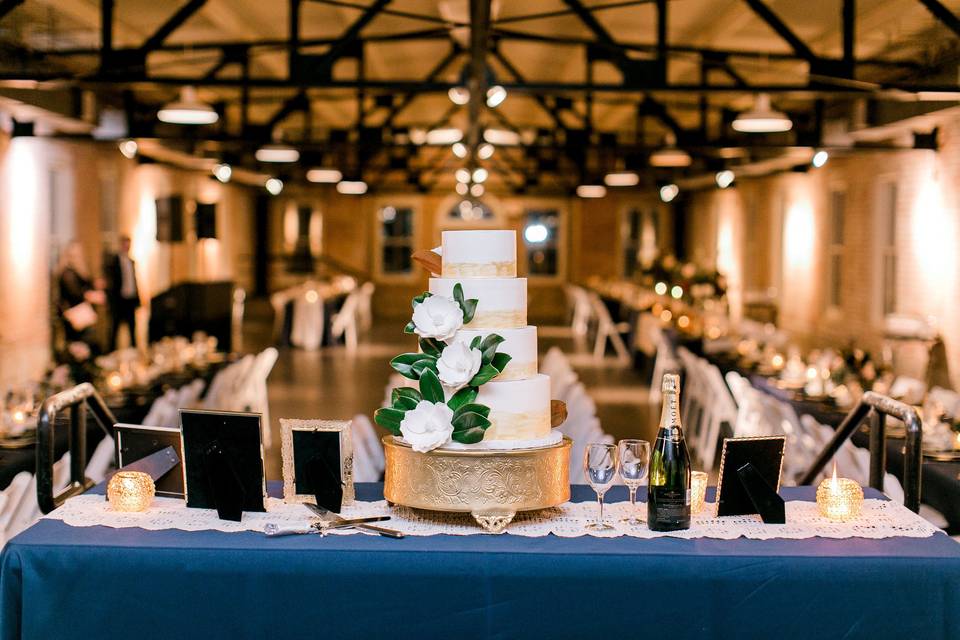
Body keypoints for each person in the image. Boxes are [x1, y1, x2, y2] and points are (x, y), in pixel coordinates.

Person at [56, 241, 105, 348]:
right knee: (79, 345)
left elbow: (85, 284)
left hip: (80, 313)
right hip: (74, 314)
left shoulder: (77, 271)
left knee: (84, 344)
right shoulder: (67, 273)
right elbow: (74, 292)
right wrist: (90, 295)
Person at [104, 234, 141, 351]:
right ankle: (111, 351)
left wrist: (137, 299)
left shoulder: (131, 261)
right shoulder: (114, 261)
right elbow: (111, 282)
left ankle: (133, 351)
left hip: (130, 298)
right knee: (115, 328)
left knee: (132, 327)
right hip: (119, 300)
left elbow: (134, 281)